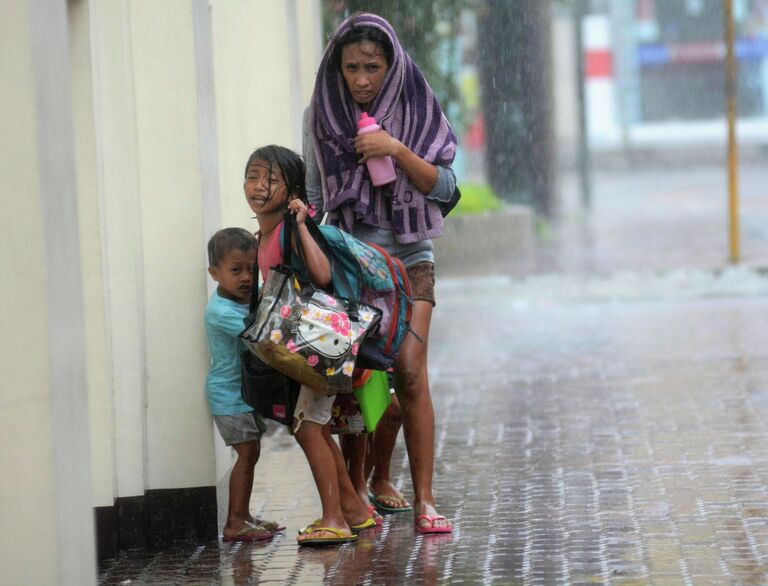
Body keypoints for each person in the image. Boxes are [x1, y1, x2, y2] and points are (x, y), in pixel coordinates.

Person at [304, 12, 457, 534]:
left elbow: (447, 190)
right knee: (358, 383)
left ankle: (426, 502)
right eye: (351, 67)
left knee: (411, 371)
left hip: (412, 261)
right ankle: (362, 486)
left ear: (391, 65)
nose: (362, 79)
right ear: (338, 67)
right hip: (353, 267)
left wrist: (394, 149)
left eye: (372, 66)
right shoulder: (322, 115)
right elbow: (317, 200)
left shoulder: (416, 104)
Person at [243, 144, 378, 545]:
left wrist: (302, 224)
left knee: (308, 429)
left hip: (318, 346)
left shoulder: (291, 227)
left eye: (271, 179)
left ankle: (333, 517)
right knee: (311, 427)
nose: (259, 186)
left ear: (292, 189)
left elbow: (321, 274)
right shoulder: (263, 233)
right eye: (253, 176)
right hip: (302, 352)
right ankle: (353, 511)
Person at [205, 227, 285, 542]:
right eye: (236, 270)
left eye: (252, 269)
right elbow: (259, 333)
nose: (246, 278)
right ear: (215, 273)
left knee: (251, 453)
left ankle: (244, 515)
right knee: (247, 453)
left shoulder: (242, 300)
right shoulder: (220, 311)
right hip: (228, 395)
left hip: (245, 393)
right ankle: (234, 521)